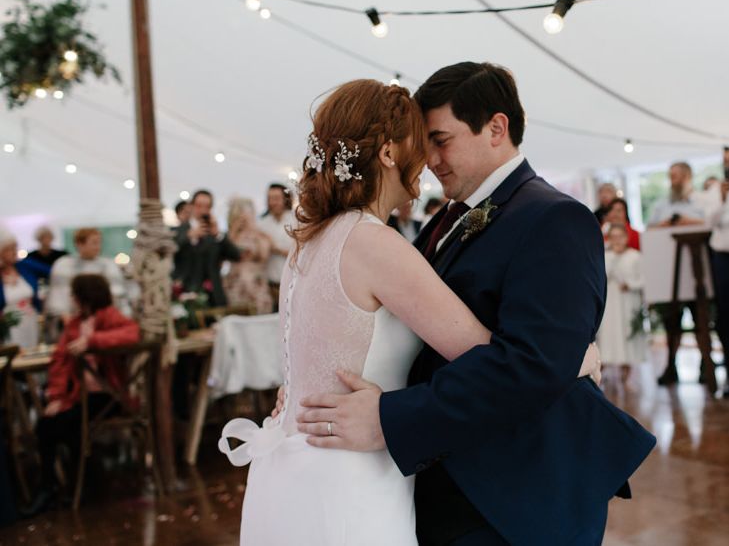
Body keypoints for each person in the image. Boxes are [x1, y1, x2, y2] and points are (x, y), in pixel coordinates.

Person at [220, 73, 652, 545]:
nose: (428, 160)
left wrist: (389, 415)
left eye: (440, 141)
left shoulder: (555, 218)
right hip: (420, 475)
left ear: (495, 128)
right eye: (422, 144)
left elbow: (531, 364)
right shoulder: (421, 228)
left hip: (515, 494)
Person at [28, 274, 140, 514]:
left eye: (75, 295)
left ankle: (72, 486)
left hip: (108, 395)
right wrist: (56, 398)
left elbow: (132, 333)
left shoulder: (109, 316)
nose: (73, 299)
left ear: (84, 297)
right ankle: (62, 485)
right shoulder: (74, 324)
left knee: (65, 425)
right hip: (78, 396)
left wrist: (93, 340)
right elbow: (60, 361)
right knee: (49, 424)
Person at [172, 189, 241, 307]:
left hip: (214, 296)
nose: (203, 210)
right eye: (199, 206)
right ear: (192, 206)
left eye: (207, 207)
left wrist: (218, 235)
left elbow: (236, 255)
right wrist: (189, 236)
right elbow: (170, 250)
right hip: (185, 294)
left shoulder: (215, 233)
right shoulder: (178, 231)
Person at [45, 228, 130, 321]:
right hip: (74, 319)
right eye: (94, 243)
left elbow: (117, 294)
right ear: (79, 244)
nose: (98, 247)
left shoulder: (108, 265)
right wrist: (65, 316)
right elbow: (59, 295)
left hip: (104, 319)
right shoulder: (64, 264)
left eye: (99, 242)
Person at [597, 224, 646, 385]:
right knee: (608, 334)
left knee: (626, 332)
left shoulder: (635, 256)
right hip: (610, 301)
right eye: (613, 237)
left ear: (626, 238)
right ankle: (601, 372)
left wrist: (630, 284)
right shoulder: (604, 256)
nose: (617, 240)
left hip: (627, 301)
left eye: (620, 236)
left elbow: (644, 278)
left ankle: (626, 374)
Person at [223, 197, 273, 314]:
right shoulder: (230, 236)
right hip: (235, 284)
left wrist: (254, 232)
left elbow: (264, 256)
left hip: (255, 284)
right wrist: (234, 230)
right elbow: (225, 253)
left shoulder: (259, 235)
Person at [0, 229, 49, 348]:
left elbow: (50, 271)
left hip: (31, 319)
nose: (14, 252)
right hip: (8, 324)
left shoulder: (25, 266)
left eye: (14, 248)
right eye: (9, 249)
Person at [708, 148, 729, 397]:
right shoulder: (716, 190)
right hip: (722, 258)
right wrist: (722, 199)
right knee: (725, 314)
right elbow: (709, 221)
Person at [258, 183, 295, 309]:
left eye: (276, 198)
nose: (273, 202)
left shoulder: (296, 220)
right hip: (271, 283)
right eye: (270, 198)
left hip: (293, 282)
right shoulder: (261, 223)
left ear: (285, 199)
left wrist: (275, 248)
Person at [647, 162, 705, 227]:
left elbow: (714, 225)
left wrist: (692, 222)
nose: (672, 182)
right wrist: (662, 225)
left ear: (687, 177)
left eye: (674, 177)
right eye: (670, 177)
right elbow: (648, 230)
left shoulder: (704, 201)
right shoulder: (660, 205)